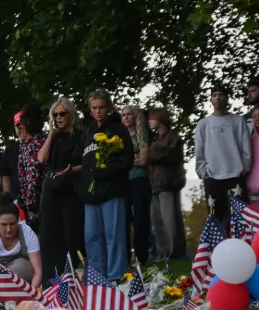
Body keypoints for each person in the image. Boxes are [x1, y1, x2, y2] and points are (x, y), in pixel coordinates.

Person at [80, 90, 133, 282]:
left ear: (108, 107)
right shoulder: (88, 131)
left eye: (101, 107)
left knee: (114, 236)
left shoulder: (118, 128)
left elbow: (127, 160)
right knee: (92, 238)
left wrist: (106, 170)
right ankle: (97, 280)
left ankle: (116, 277)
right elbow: (83, 160)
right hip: (91, 195)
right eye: (94, 108)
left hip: (112, 191)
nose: (98, 111)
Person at [37, 96, 85, 280]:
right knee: (50, 234)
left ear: (70, 114)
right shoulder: (53, 137)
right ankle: (52, 277)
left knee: (71, 234)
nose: (58, 117)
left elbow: (85, 164)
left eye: (62, 113)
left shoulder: (80, 135)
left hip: (70, 188)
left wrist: (71, 170)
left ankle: (70, 273)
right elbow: (41, 159)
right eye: (55, 115)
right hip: (51, 190)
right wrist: (51, 134)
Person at [196, 84, 251, 232]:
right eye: (214, 95)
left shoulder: (238, 121)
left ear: (227, 98)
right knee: (216, 218)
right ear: (211, 99)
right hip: (213, 177)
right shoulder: (203, 124)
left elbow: (246, 148)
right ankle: (217, 252)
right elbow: (199, 151)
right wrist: (203, 172)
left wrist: (244, 168)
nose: (218, 97)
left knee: (240, 219)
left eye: (221, 94)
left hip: (235, 176)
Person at [0, 194, 42, 287]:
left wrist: (33, 294)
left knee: (24, 267)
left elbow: (38, 271)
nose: (9, 229)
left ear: (18, 220)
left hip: (17, 270)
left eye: (12, 224)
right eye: (4, 225)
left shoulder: (27, 232)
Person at [147, 108, 187, 260]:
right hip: (155, 184)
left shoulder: (173, 137)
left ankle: (175, 253)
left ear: (160, 119)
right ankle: (162, 253)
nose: (149, 121)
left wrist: (149, 155)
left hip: (168, 183)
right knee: (157, 222)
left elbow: (169, 155)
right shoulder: (156, 138)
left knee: (170, 221)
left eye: (152, 118)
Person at [121, 105, 152, 265]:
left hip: (140, 181)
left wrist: (125, 161)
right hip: (123, 182)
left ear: (135, 117)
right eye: (123, 115)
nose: (126, 117)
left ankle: (142, 257)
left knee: (141, 219)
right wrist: (132, 159)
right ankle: (125, 259)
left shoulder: (142, 134)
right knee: (124, 220)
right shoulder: (118, 136)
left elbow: (144, 160)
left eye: (129, 114)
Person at [13, 105, 47, 233]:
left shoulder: (36, 144)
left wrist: (31, 204)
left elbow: (33, 176)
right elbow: (24, 176)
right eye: (17, 125)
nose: (20, 127)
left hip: (39, 203)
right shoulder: (25, 145)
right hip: (31, 202)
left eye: (21, 123)